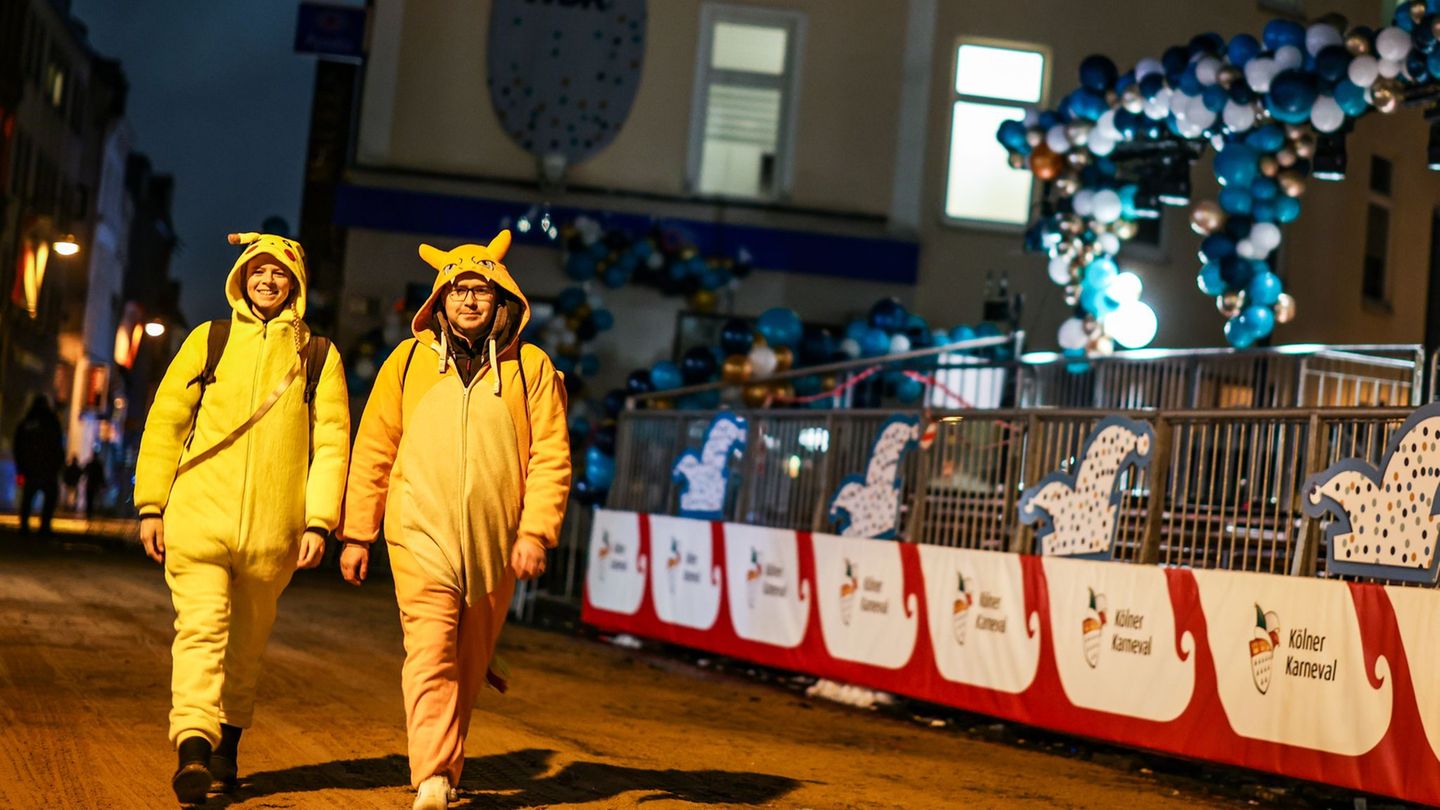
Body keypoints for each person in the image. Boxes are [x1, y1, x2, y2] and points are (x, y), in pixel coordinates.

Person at [339, 230, 570, 810]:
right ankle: (433, 775)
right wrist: (358, 533)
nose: (469, 300)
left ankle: (444, 759)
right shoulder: (409, 361)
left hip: (498, 545)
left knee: (467, 664)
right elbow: (374, 448)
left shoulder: (533, 368)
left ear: (503, 301)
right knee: (430, 649)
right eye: (458, 289)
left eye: (481, 290)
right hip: (417, 532)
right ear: (438, 301)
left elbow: (551, 456)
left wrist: (536, 532)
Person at [134, 232, 350, 805]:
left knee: (247, 644)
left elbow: (332, 444)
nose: (267, 280)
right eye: (257, 270)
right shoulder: (209, 341)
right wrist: (152, 504)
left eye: (279, 273)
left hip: (274, 532)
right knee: (200, 632)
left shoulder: (319, 356)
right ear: (240, 277)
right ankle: (194, 749)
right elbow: (165, 424)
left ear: (296, 285)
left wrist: (319, 521)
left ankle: (228, 745)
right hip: (197, 515)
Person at [13, 395, 63, 535]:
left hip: (31, 468)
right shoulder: (51, 421)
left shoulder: (27, 422)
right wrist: (57, 465)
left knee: (28, 497)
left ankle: (24, 525)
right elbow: (58, 445)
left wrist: (21, 467)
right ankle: (44, 526)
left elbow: (18, 446)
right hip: (47, 468)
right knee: (49, 496)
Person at [82, 454, 106, 519]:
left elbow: (84, 472)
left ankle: (89, 512)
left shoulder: (90, 464)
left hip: (90, 484)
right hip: (95, 485)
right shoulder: (98, 465)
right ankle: (91, 512)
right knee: (93, 499)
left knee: (89, 499)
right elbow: (101, 476)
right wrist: (102, 484)